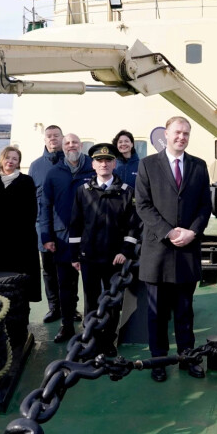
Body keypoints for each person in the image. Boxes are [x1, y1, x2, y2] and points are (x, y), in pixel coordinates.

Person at [135, 117, 212, 382]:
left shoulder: (199, 166)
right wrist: (168, 231)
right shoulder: (147, 165)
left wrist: (193, 231)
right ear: (166, 134)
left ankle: (187, 357)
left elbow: (205, 205)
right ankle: (159, 361)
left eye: (186, 133)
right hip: (158, 251)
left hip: (187, 251)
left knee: (184, 310)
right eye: (177, 132)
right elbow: (143, 205)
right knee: (156, 314)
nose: (182, 137)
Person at [69, 143, 141, 352]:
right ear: (93, 164)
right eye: (99, 161)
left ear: (114, 164)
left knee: (112, 302)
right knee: (91, 300)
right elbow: (76, 224)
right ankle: (91, 340)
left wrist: (125, 252)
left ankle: (108, 340)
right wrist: (75, 255)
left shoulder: (127, 192)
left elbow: (133, 226)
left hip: (114, 257)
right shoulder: (83, 192)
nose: (104, 164)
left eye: (108, 160)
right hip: (89, 256)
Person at [39, 133, 96, 343]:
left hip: (91, 238)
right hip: (63, 238)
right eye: (67, 143)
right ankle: (67, 325)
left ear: (81, 145)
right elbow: (45, 206)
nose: (71, 146)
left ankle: (91, 326)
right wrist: (46, 236)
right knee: (66, 286)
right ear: (62, 148)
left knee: (92, 287)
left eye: (74, 142)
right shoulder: (54, 173)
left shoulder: (93, 169)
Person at [0, 146, 41, 304]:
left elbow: (32, 210)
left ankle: (22, 322)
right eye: (7, 158)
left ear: (18, 163)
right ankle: (3, 316)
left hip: (22, 240)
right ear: (2, 159)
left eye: (14, 159)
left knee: (22, 280)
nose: (10, 161)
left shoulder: (26, 181)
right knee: (1, 281)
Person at [29, 124, 65, 323]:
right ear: (44, 140)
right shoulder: (36, 166)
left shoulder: (71, 162)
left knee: (67, 269)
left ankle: (69, 306)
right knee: (49, 270)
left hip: (66, 227)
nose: (52, 139)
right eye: (49, 136)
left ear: (62, 137)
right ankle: (54, 307)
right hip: (44, 227)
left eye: (56, 136)